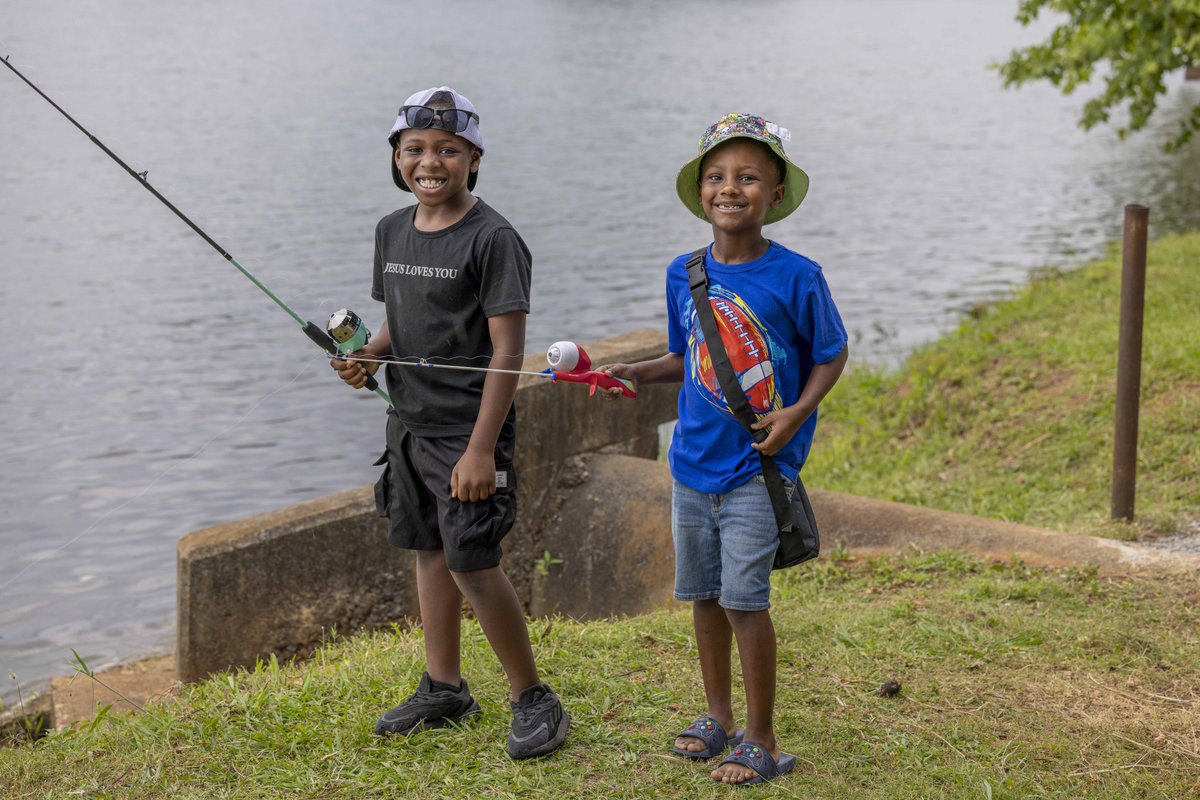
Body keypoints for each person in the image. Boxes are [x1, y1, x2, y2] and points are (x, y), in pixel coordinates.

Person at [599, 113, 848, 785]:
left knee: (745, 601)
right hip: (691, 468)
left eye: (747, 178)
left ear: (773, 194)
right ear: (700, 191)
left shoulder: (797, 276)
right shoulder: (685, 274)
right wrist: (638, 372)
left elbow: (833, 352)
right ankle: (718, 718)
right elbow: (690, 357)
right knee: (703, 596)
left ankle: (761, 738)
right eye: (716, 176)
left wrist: (795, 413)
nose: (729, 188)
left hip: (756, 470)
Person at [331, 86, 568, 760]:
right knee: (428, 551)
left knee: (473, 563)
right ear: (397, 157)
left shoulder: (494, 238)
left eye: (447, 150)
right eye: (415, 149)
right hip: (406, 424)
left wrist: (479, 450)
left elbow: (508, 351)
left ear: (473, 158)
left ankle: (533, 697)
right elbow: (396, 323)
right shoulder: (391, 230)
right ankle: (444, 686)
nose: (429, 162)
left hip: (468, 434)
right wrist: (367, 359)